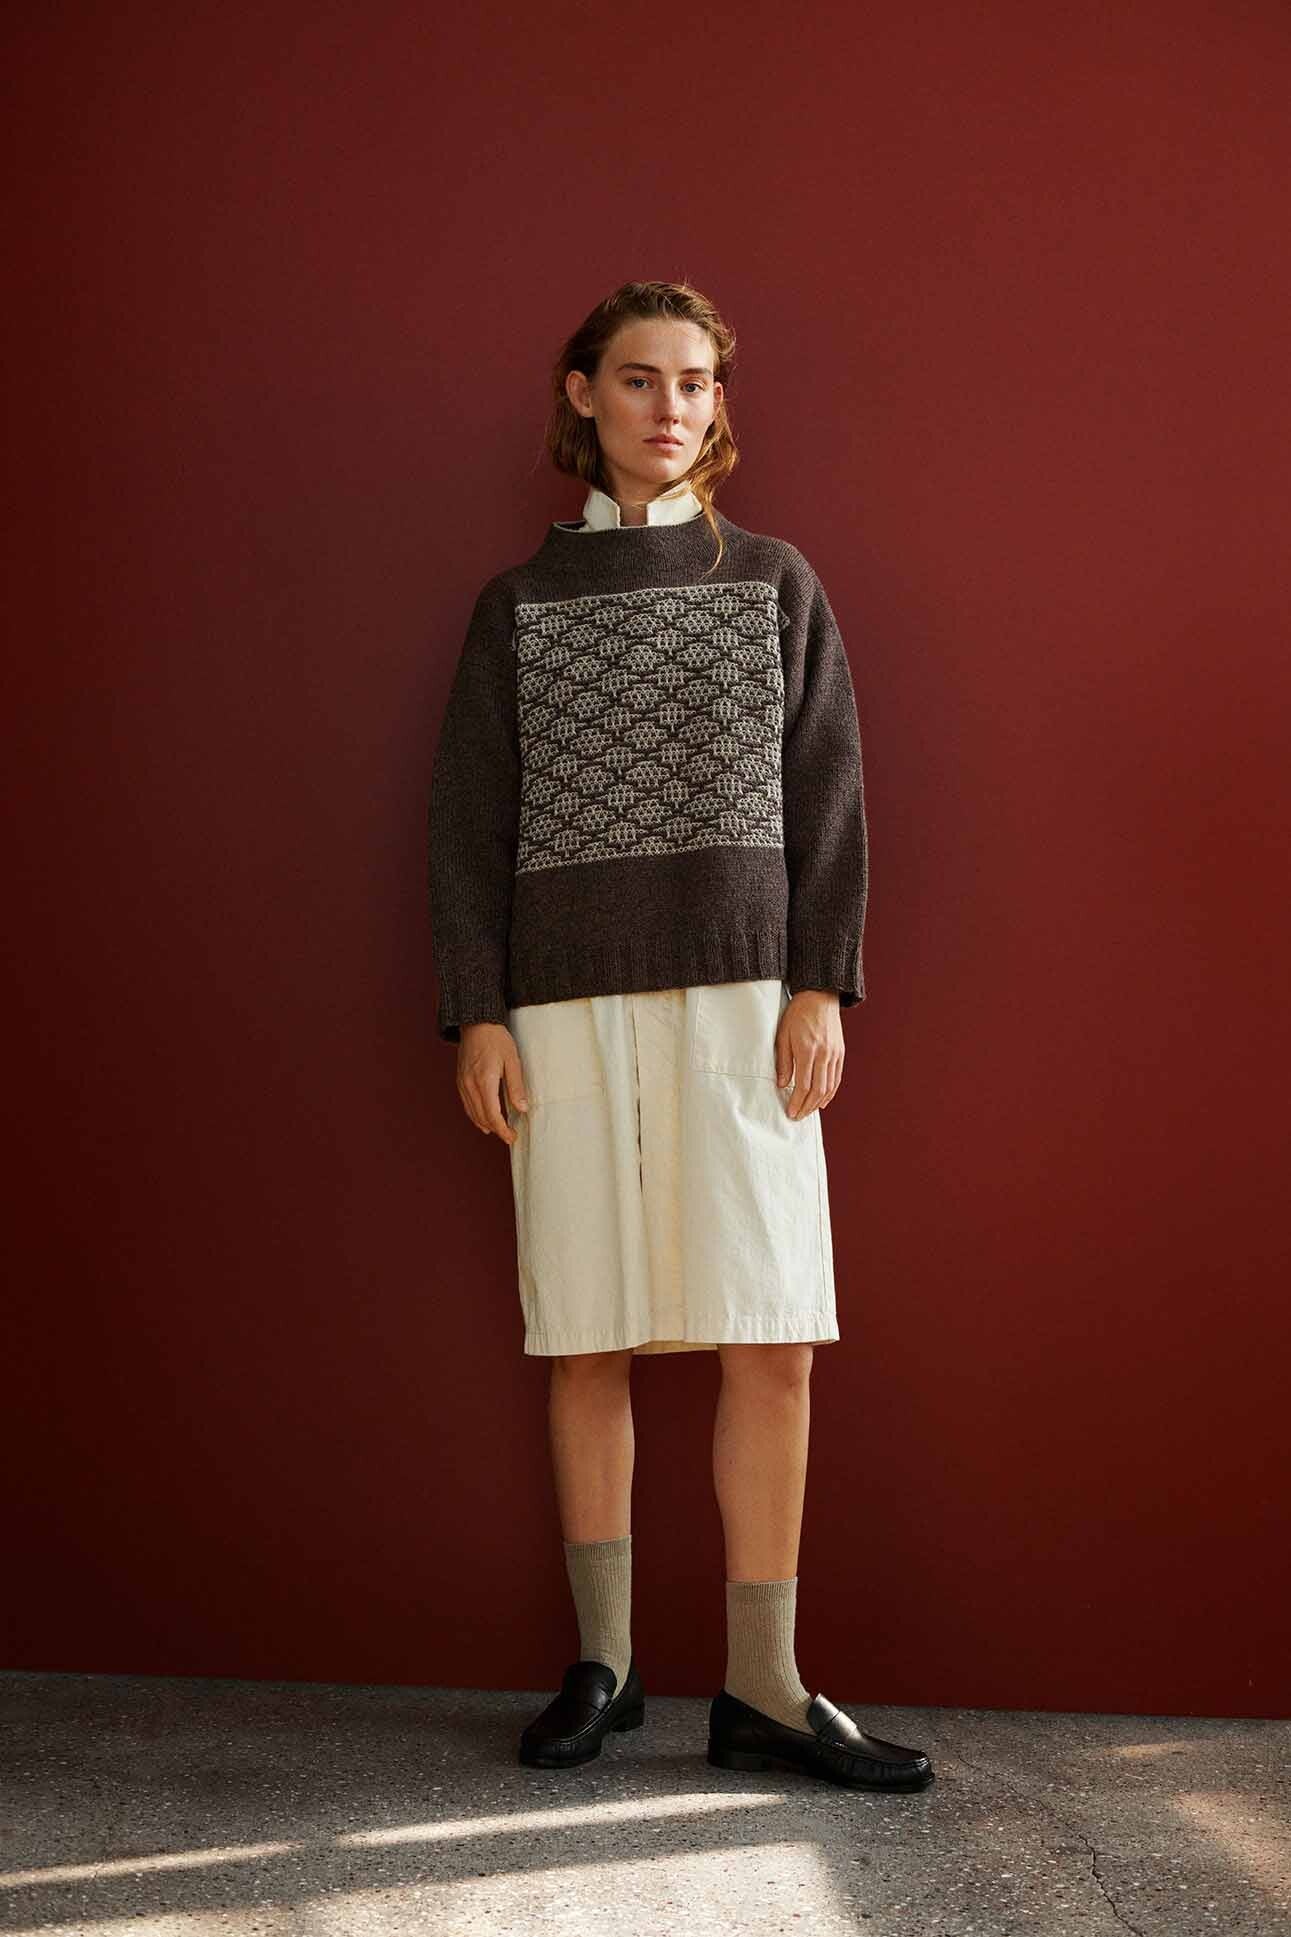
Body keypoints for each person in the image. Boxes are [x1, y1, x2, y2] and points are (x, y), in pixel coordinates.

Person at [428, 279, 933, 1793]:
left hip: (742, 1002)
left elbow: (830, 793)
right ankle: (607, 1664)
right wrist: (478, 1012)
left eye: (697, 382)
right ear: (582, 393)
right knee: (585, 1335)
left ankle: (765, 1683)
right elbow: (467, 826)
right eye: (641, 378)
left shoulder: (775, 581)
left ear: (719, 405)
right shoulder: (517, 607)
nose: (671, 406)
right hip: (565, 1008)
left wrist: (822, 983)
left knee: (770, 1335)